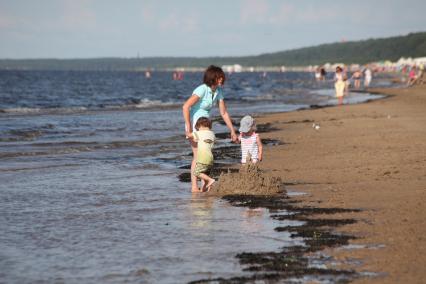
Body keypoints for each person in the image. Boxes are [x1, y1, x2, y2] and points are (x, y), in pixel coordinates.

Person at [183, 65, 237, 192]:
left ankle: (204, 184)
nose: (222, 79)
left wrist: (232, 130)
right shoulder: (202, 89)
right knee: (197, 155)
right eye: (219, 77)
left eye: (222, 77)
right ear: (213, 77)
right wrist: (189, 127)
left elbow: (224, 113)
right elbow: (185, 107)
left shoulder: (218, 92)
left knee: (205, 153)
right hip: (195, 124)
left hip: (206, 126)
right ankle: (194, 186)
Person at [186, 117, 216, 192]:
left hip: (203, 158)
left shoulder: (199, 133)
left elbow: (189, 136)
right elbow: (205, 140)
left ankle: (210, 180)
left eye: (197, 128)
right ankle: (204, 189)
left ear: (200, 126)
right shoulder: (212, 134)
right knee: (205, 173)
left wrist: (187, 132)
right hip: (210, 159)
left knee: (196, 172)